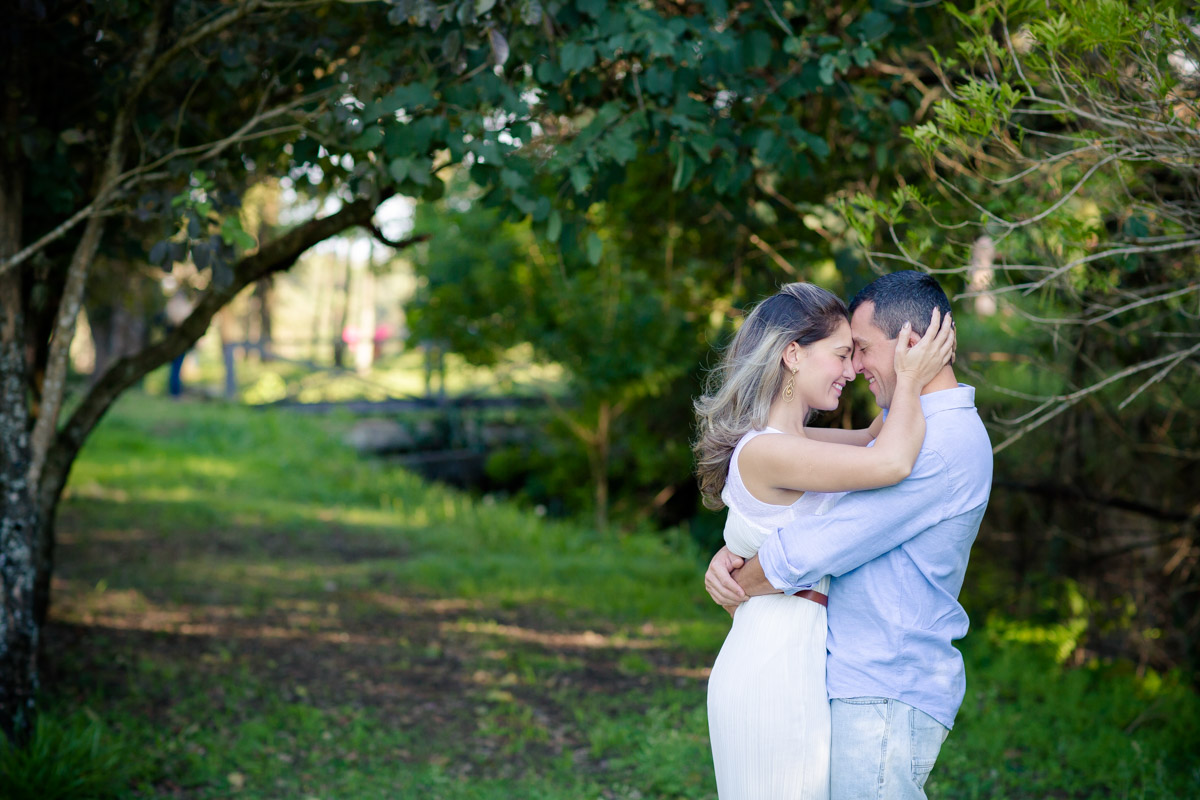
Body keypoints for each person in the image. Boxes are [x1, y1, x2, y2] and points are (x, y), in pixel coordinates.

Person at [705, 271, 993, 800]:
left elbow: (812, 545)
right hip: (822, 671)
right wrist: (739, 547)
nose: (855, 368)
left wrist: (741, 571)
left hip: (882, 684)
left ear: (911, 344)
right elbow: (852, 462)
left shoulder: (937, 444)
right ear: (792, 356)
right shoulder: (912, 429)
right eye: (844, 353)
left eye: (859, 350)